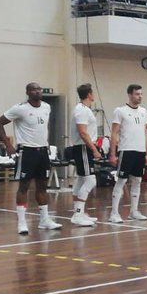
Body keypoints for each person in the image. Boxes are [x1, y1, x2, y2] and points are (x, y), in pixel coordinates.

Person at [0, 82, 62, 234]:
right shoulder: (20, 108)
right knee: (24, 186)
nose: (37, 91)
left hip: (42, 151)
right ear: (27, 92)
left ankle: (44, 220)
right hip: (26, 151)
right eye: (33, 89)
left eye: (39, 89)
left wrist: (46, 143)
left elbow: (43, 128)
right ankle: (22, 222)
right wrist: (8, 145)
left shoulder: (47, 107)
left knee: (42, 186)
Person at [108, 84, 147, 223]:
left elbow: (145, 133)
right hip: (126, 150)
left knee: (137, 180)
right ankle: (114, 213)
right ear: (130, 95)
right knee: (121, 180)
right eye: (137, 94)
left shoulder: (143, 111)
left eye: (141, 94)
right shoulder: (120, 111)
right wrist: (112, 154)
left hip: (140, 151)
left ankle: (134, 211)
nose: (140, 96)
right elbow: (114, 134)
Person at [66, 84, 100, 226]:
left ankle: (78, 212)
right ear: (89, 94)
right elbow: (83, 132)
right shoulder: (81, 110)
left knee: (80, 180)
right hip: (83, 148)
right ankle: (78, 214)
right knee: (91, 181)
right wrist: (94, 149)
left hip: (84, 147)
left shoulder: (85, 109)